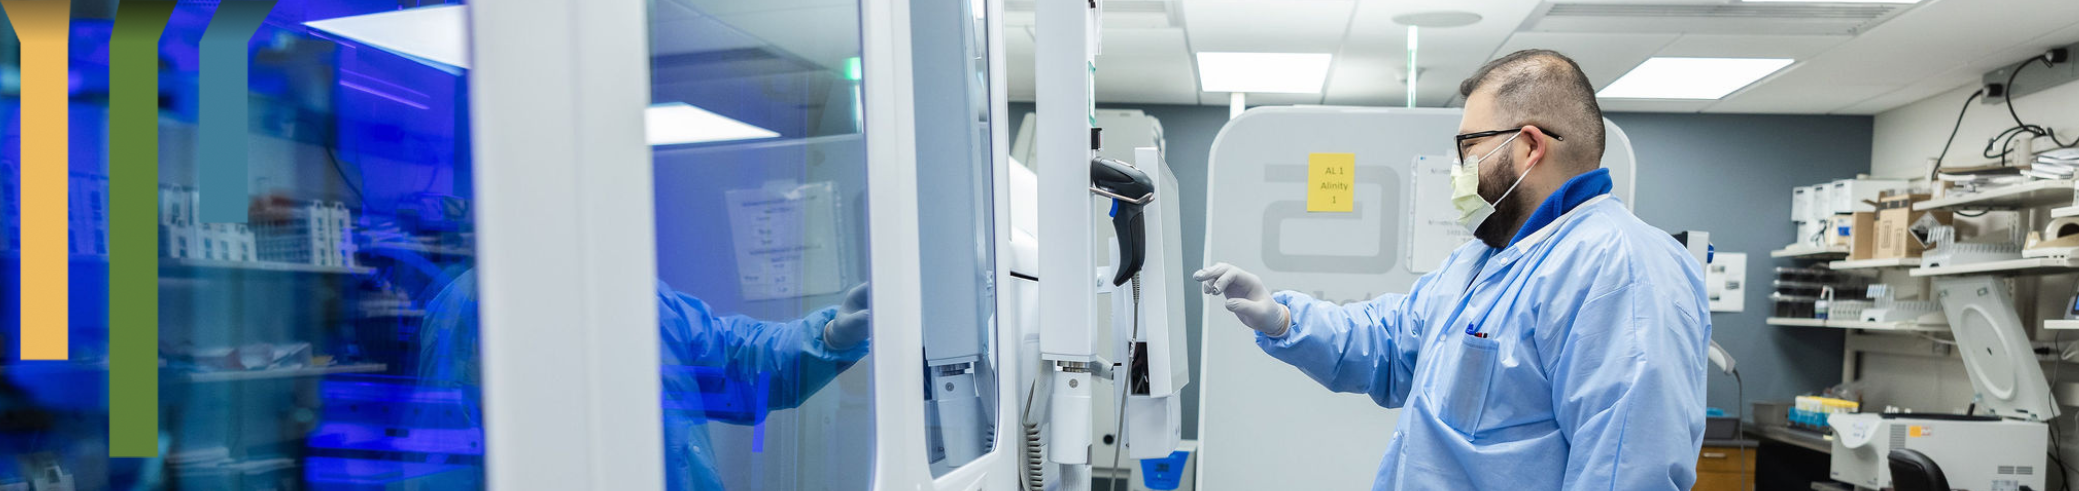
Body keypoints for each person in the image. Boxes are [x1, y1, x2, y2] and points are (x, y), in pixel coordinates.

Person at [1195, 49, 1710, 491]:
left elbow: (1625, 470)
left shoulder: (1621, 271)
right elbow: (1393, 345)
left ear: (1530, 146)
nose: (1459, 168)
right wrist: (1284, 319)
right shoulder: (1487, 258)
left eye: (1469, 146)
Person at [415, 269, 870, 490]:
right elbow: (450, 455)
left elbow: (736, 360)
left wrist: (829, 335)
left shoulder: (632, 290)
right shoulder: (470, 307)